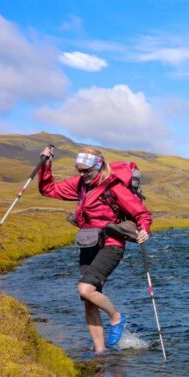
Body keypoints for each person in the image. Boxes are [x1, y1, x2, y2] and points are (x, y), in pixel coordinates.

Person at [38, 146, 152, 353]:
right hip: (89, 243)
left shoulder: (114, 187)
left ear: (98, 167)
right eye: (79, 170)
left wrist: (144, 229)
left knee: (85, 289)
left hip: (111, 245)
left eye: (86, 171)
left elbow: (141, 213)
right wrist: (46, 163)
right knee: (89, 301)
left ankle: (116, 318)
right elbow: (48, 190)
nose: (82, 175)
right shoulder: (81, 184)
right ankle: (100, 353)